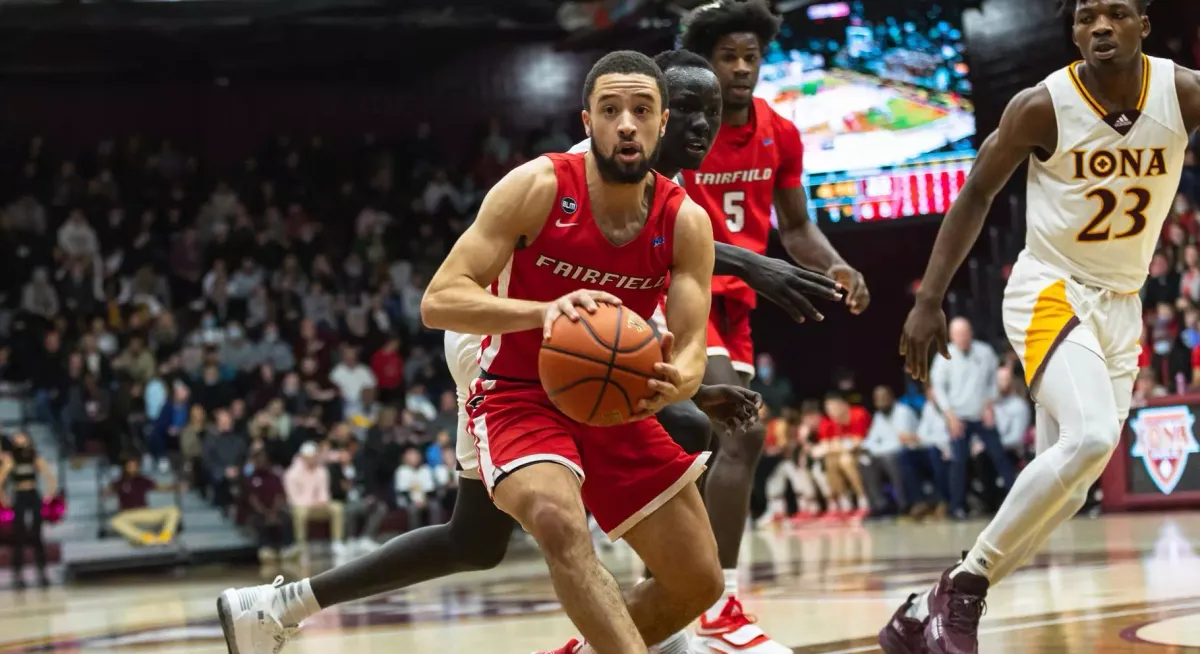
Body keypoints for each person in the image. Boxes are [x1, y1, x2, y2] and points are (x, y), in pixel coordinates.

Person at [216, 49, 831, 654]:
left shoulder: (681, 217)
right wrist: (545, 315)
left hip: (597, 377)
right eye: (612, 109)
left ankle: (279, 605)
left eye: (646, 110)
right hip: (499, 360)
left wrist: (682, 380)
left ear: (658, 120)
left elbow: (686, 347)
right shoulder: (541, 186)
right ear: (586, 120)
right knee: (557, 520)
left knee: (485, 541)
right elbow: (439, 301)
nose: (634, 123)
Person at [882, 2, 1199, 652]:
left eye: (1114, 13)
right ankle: (962, 591)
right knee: (1086, 440)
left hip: (1121, 304)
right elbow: (976, 192)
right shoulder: (1043, 105)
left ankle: (919, 611)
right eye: (1086, 17)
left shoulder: (1184, 92)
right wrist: (930, 298)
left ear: (1144, 22)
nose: (1099, 28)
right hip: (1050, 289)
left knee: (1066, 489)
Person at [678, 3, 870, 646]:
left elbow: (794, 227)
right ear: (705, 63)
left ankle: (684, 590)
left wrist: (839, 266)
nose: (739, 68)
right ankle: (716, 603)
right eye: (726, 56)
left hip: (739, 305)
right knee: (743, 433)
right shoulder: (682, 132)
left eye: (749, 57)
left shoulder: (781, 132)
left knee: (719, 445)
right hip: (682, 291)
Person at [928, 317, 1014, 520]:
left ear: (971, 333)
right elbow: (938, 389)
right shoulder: (943, 357)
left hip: (981, 413)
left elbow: (992, 380)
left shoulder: (984, 352)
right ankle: (957, 507)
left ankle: (1017, 501)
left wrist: (989, 405)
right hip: (958, 417)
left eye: (965, 333)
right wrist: (949, 415)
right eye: (958, 335)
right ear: (951, 337)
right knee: (958, 462)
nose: (962, 338)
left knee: (999, 456)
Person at [0, 431, 57, 588]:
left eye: (22, 437)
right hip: (19, 495)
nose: (20, 439)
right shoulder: (11, 459)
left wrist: (49, 494)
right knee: (19, 535)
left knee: (37, 534)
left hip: (33, 494)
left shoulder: (34, 457)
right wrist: (4, 499)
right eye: (17, 438)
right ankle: (18, 575)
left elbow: (49, 476)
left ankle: (42, 572)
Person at [105, 457, 181, 546]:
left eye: (135, 466)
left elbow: (160, 487)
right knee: (115, 521)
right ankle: (146, 538)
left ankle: (165, 537)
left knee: (173, 510)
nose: (133, 469)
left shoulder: (143, 480)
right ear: (125, 468)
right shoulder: (119, 482)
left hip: (144, 512)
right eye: (130, 466)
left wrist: (176, 486)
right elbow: (107, 491)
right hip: (128, 514)